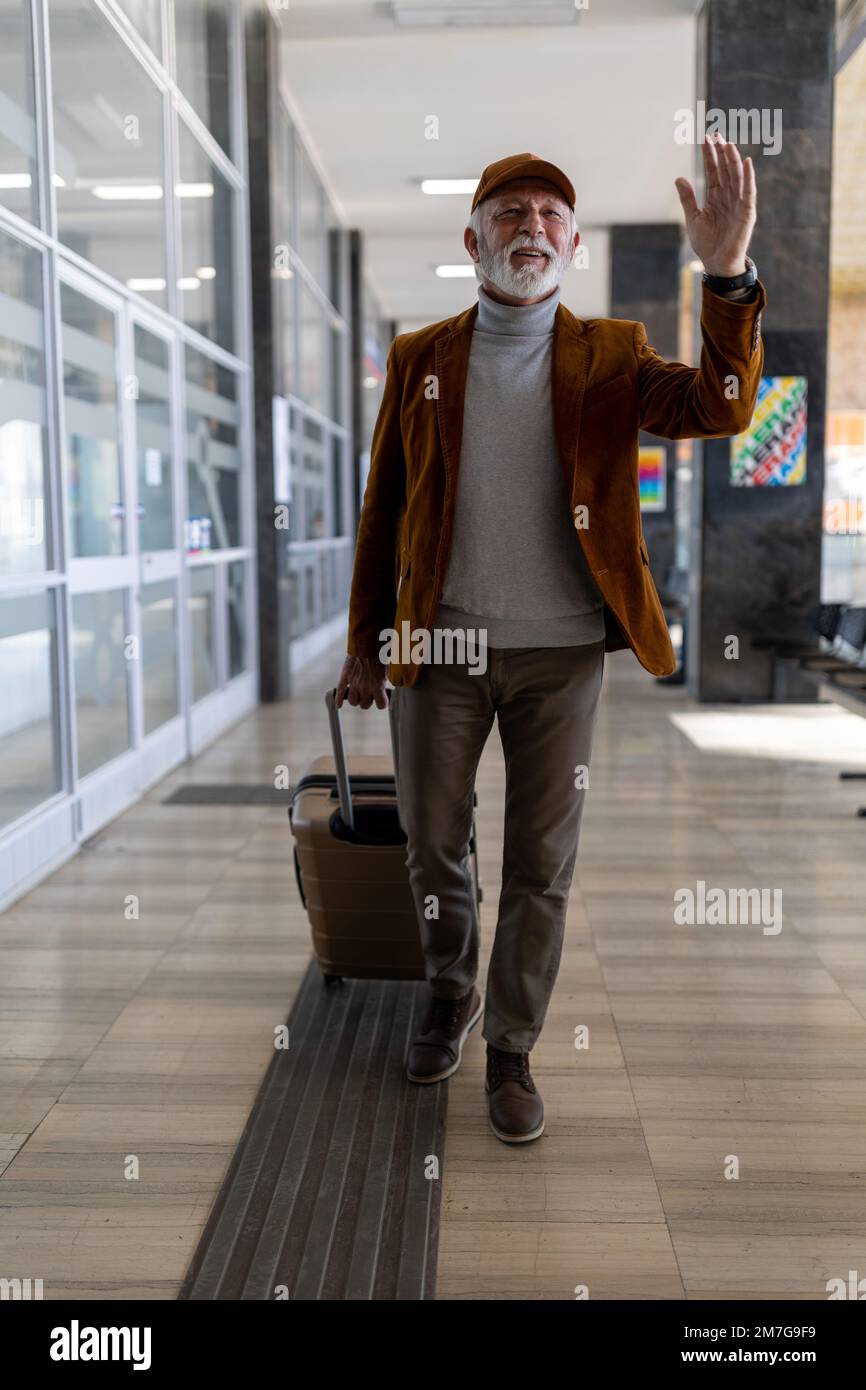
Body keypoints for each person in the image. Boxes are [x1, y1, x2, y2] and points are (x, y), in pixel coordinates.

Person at [335, 141, 765, 1143]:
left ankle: (512, 1048)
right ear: (472, 237)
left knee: (540, 860)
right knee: (432, 845)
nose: (530, 226)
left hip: (561, 652)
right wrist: (366, 638)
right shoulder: (418, 359)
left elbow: (723, 407)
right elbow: (384, 506)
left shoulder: (610, 353)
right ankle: (450, 991)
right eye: (510, 212)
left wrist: (727, 273)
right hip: (436, 650)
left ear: (571, 244)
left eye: (548, 216)